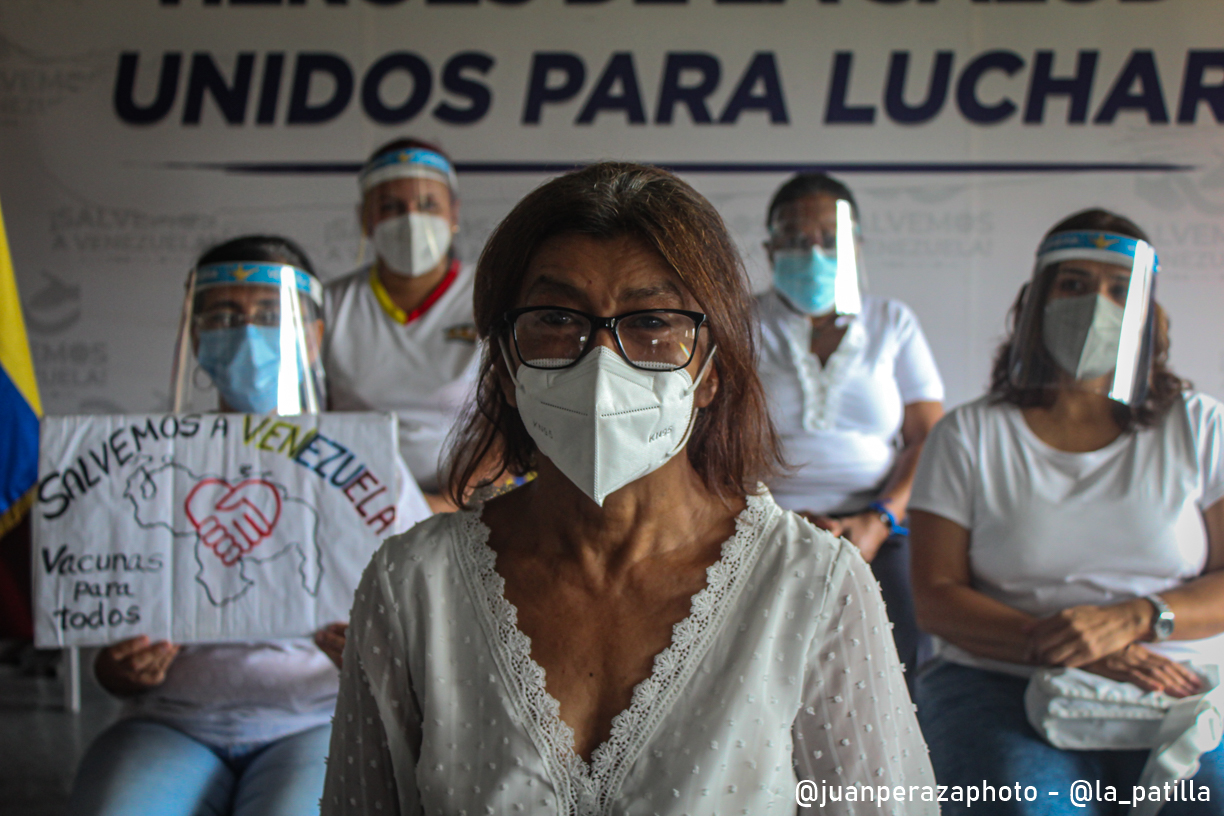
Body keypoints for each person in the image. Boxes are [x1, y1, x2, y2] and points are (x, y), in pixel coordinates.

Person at [320, 163, 936, 815]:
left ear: (711, 371)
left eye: (651, 322)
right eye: (556, 317)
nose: (601, 362)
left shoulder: (812, 588)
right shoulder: (413, 585)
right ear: (501, 363)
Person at [67, 236, 430, 816]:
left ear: (313, 336)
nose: (247, 334)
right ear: (195, 337)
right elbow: (104, 624)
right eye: (223, 316)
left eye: (269, 315)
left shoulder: (365, 465)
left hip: (318, 722)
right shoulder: (147, 463)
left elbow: (418, 633)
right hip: (167, 720)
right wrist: (118, 671)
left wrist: (372, 659)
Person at [909, 209, 1224, 814]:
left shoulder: (1199, 426)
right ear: (1036, 302)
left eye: (1118, 289)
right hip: (999, 679)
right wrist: (1069, 644)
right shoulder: (968, 435)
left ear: (1148, 314)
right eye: (1073, 284)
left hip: (1172, 682)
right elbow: (936, 596)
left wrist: (1135, 618)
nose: (1096, 306)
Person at [755, 173, 944, 686]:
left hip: (881, 527)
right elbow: (710, 438)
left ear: (855, 247)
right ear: (771, 250)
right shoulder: (740, 323)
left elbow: (929, 438)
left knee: (894, 673)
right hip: (761, 527)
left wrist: (877, 520)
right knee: (763, 678)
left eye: (830, 239)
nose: (813, 253)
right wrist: (772, 522)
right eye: (796, 240)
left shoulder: (892, 322)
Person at [323, 138, 480, 512]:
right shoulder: (327, 306)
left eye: (428, 204)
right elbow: (307, 420)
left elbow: (515, 421)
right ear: (366, 218)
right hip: (350, 509)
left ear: (454, 213)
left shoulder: (494, 294)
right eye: (391, 207)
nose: (411, 219)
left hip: (467, 508)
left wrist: (442, 505)